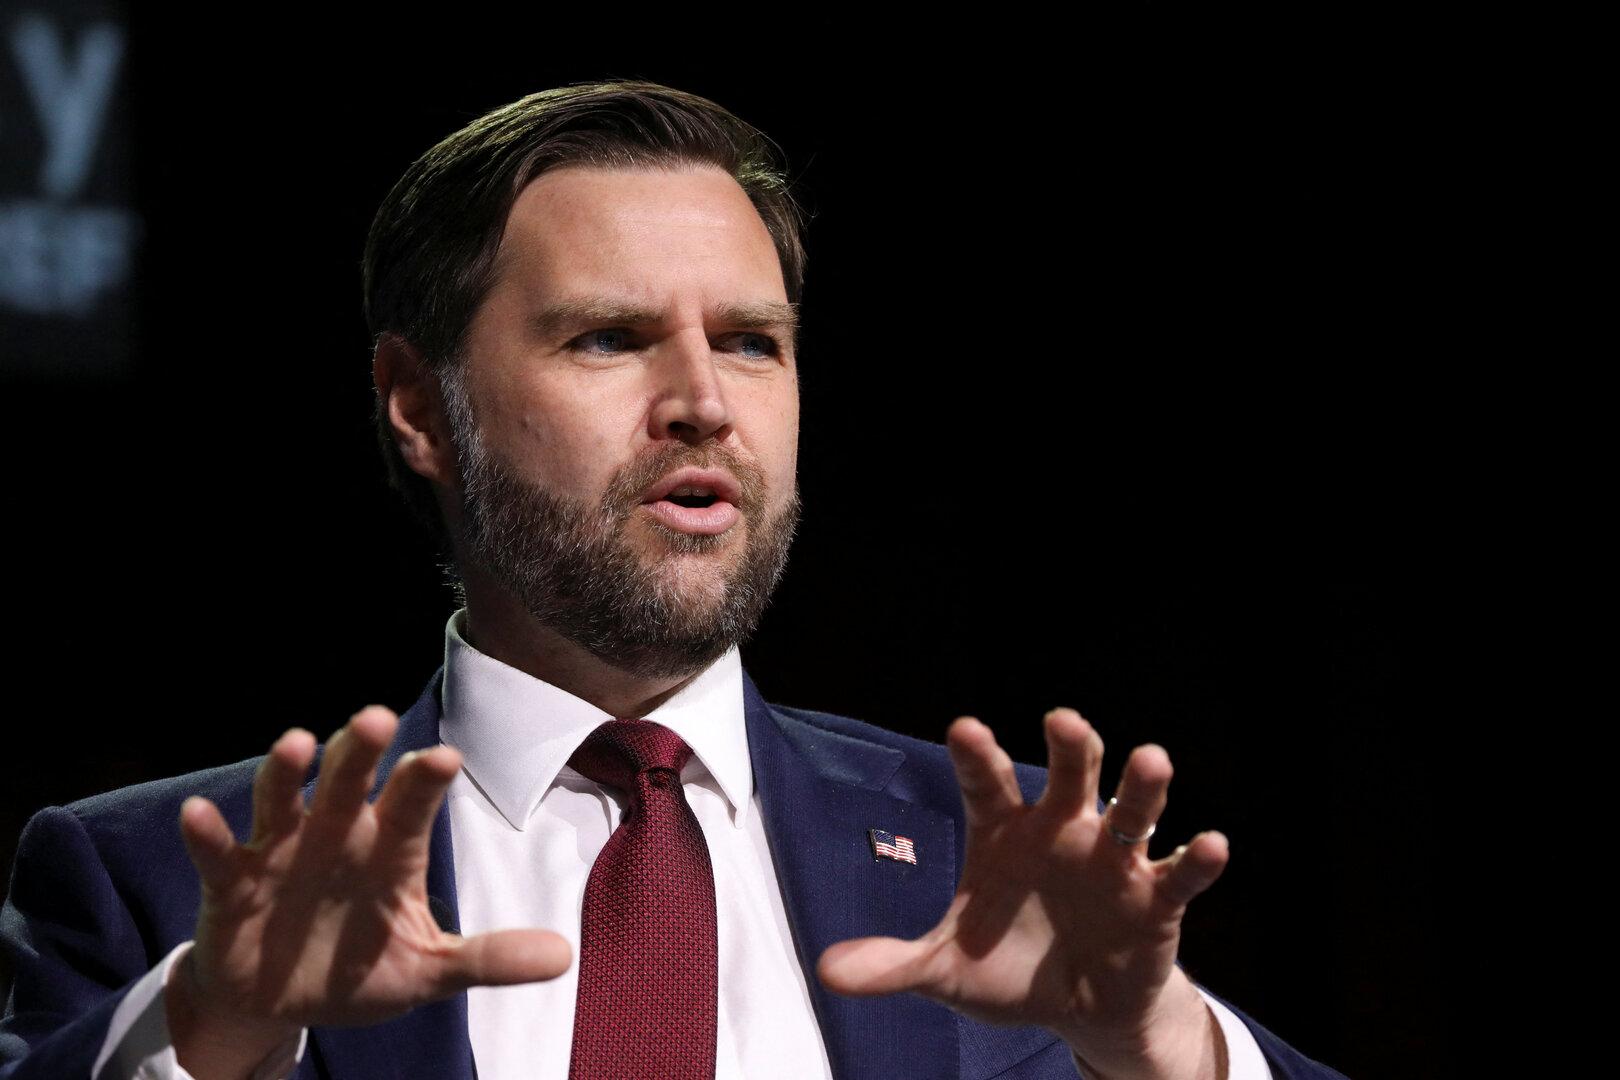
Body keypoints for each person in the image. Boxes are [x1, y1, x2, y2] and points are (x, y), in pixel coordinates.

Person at [0, 80, 1346, 1080]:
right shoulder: (157, 885)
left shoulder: (997, 866)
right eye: (610, 338)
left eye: (753, 344)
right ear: (418, 407)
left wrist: (1170, 1046)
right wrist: (214, 1034)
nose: (703, 402)